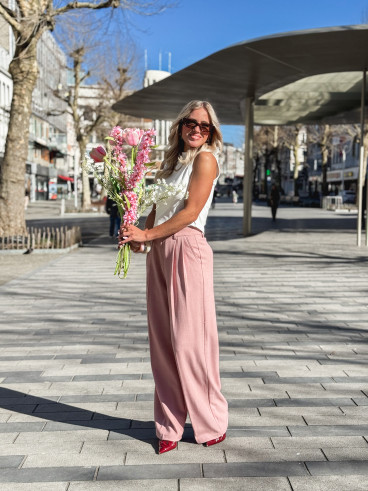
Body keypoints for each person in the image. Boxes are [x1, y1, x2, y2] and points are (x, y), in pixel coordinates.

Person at [119, 100, 228, 454]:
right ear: (179, 125)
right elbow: (154, 210)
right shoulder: (168, 165)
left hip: (188, 249)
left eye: (205, 126)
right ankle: (168, 426)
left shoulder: (205, 160)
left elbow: (191, 210)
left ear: (212, 132)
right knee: (163, 343)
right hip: (161, 254)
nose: (197, 129)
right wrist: (139, 239)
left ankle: (211, 420)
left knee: (190, 341)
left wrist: (148, 236)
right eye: (190, 122)